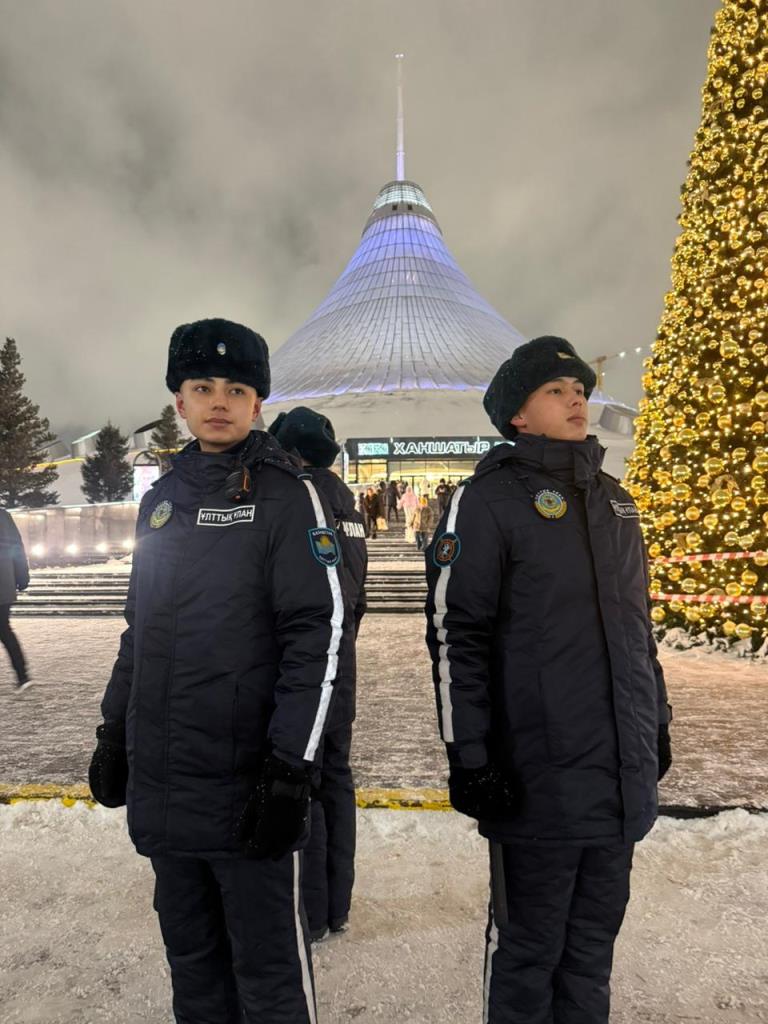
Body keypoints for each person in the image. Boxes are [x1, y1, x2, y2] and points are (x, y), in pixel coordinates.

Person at [88, 318, 344, 1024]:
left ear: (259, 403)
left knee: (268, 978)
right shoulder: (160, 501)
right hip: (167, 784)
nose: (219, 401)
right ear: (180, 402)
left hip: (250, 786)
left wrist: (291, 769)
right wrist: (114, 732)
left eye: (236, 389)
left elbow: (316, 638)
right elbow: (140, 631)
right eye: (203, 387)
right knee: (195, 971)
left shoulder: (289, 496)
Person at [424, 336, 672, 1024]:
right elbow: (456, 635)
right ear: (518, 414)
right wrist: (469, 755)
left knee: (591, 949)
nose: (576, 401)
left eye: (580, 390)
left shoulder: (617, 503)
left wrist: (656, 723)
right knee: (529, 950)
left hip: (616, 778)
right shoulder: (487, 501)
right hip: (535, 778)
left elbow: (637, 630)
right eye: (556, 391)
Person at [268, 406, 367, 942]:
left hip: (307, 666)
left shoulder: (299, 501)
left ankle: (308, 910)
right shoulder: (346, 503)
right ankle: (336, 904)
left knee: (304, 780)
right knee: (336, 780)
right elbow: (357, 595)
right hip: (341, 659)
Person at [0, 508, 30, 691]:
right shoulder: (3, 516)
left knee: (4, 630)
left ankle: (22, 675)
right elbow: (17, 546)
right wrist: (22, 575)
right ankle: (22, 675)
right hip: (3, 584)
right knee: (5, 630)